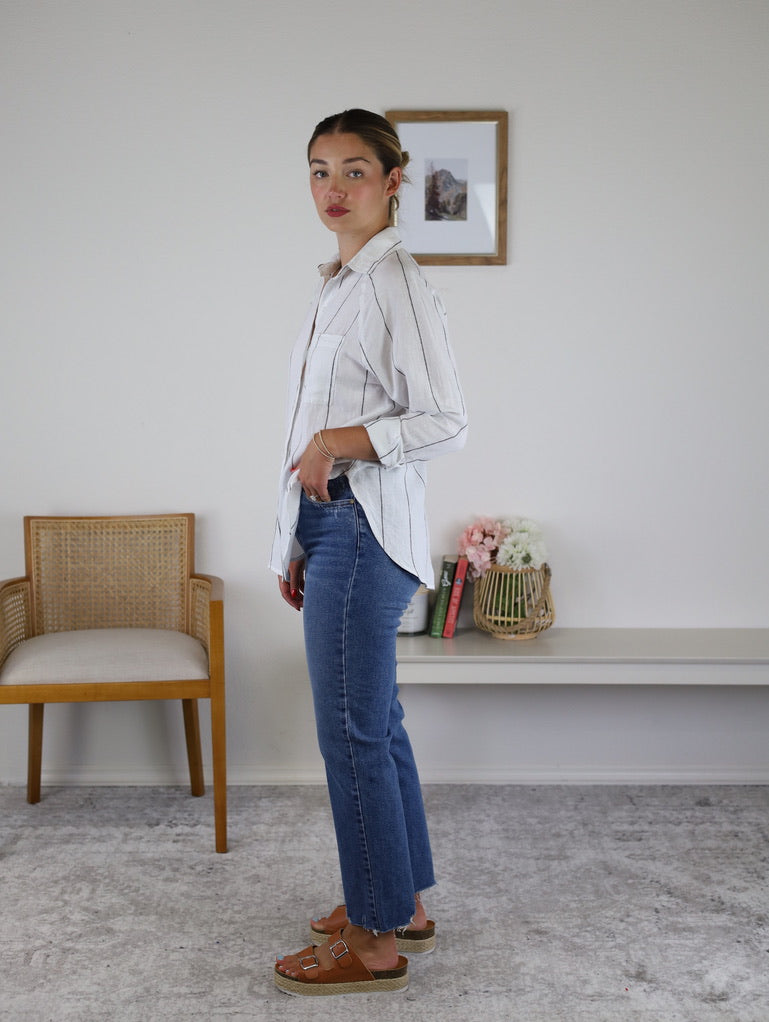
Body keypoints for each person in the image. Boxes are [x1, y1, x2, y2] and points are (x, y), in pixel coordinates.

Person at [270, 108, 467, 996]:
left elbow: (445, 421)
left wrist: (338, 443)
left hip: (362, 530)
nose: (333, 188)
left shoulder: (395, 282)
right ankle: (402, 902)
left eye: (354, 170)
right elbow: (305, 430)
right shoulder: (341, 284)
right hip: (333, 528)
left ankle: (374, 940)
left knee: (349, 735)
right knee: (375, 726)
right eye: (319, 170)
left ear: (392, 182)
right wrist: (293, 536)